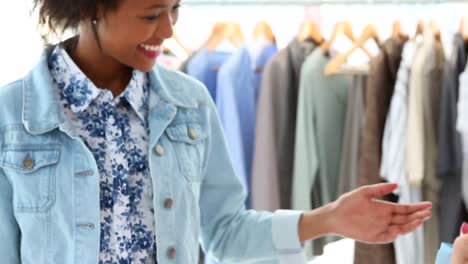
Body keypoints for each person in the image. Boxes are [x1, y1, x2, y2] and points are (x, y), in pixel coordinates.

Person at [0, 0, 433, 263]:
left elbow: (224, 232)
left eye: (175, 10)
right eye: (152, 14)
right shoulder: (12, 117)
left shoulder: (188, 104)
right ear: (90, 7)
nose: (169, 31)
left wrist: (328, 219)